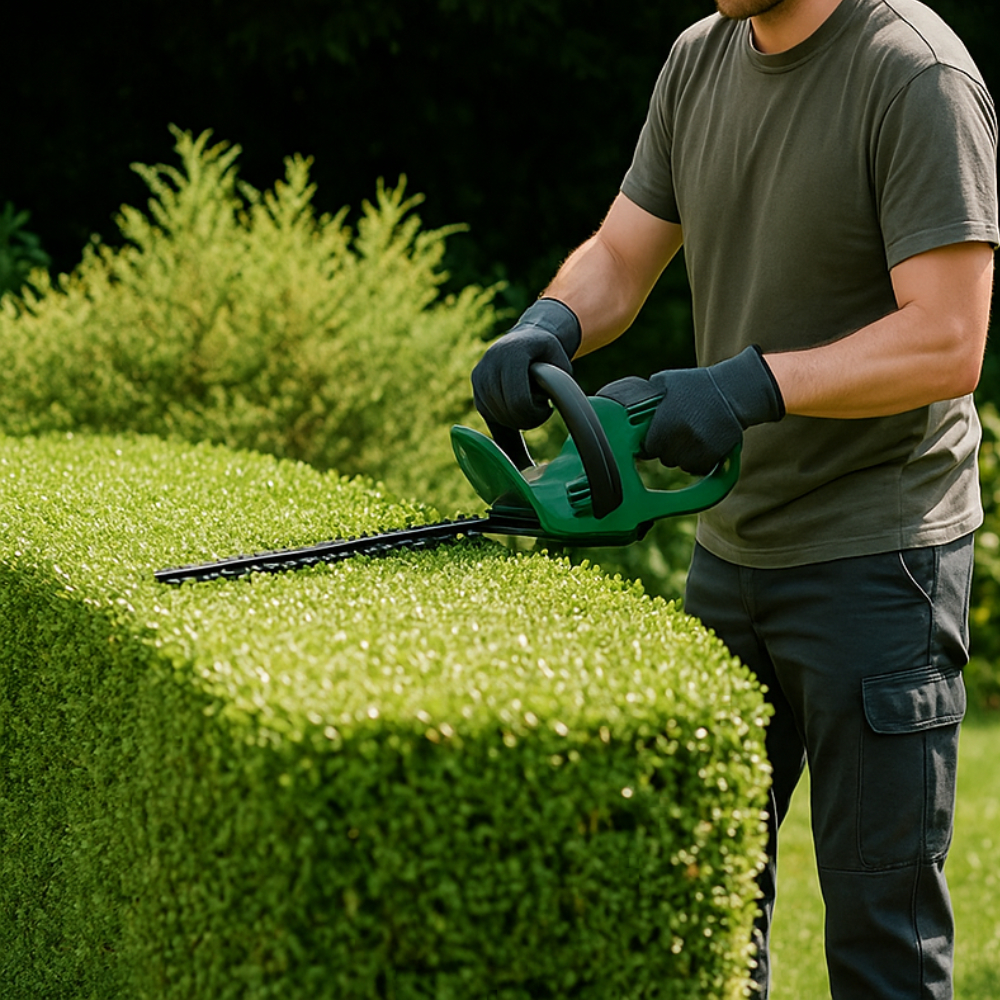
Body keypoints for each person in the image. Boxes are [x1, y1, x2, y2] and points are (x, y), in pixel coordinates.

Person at [471, 0, 999, 997]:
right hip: (731, 555)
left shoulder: (914, 73)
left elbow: (946, 339)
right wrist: (548, 323)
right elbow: (622, 254)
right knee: (697, 917)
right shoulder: (697, 61)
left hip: (878, 561)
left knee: (882, 948)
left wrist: (749, 386)